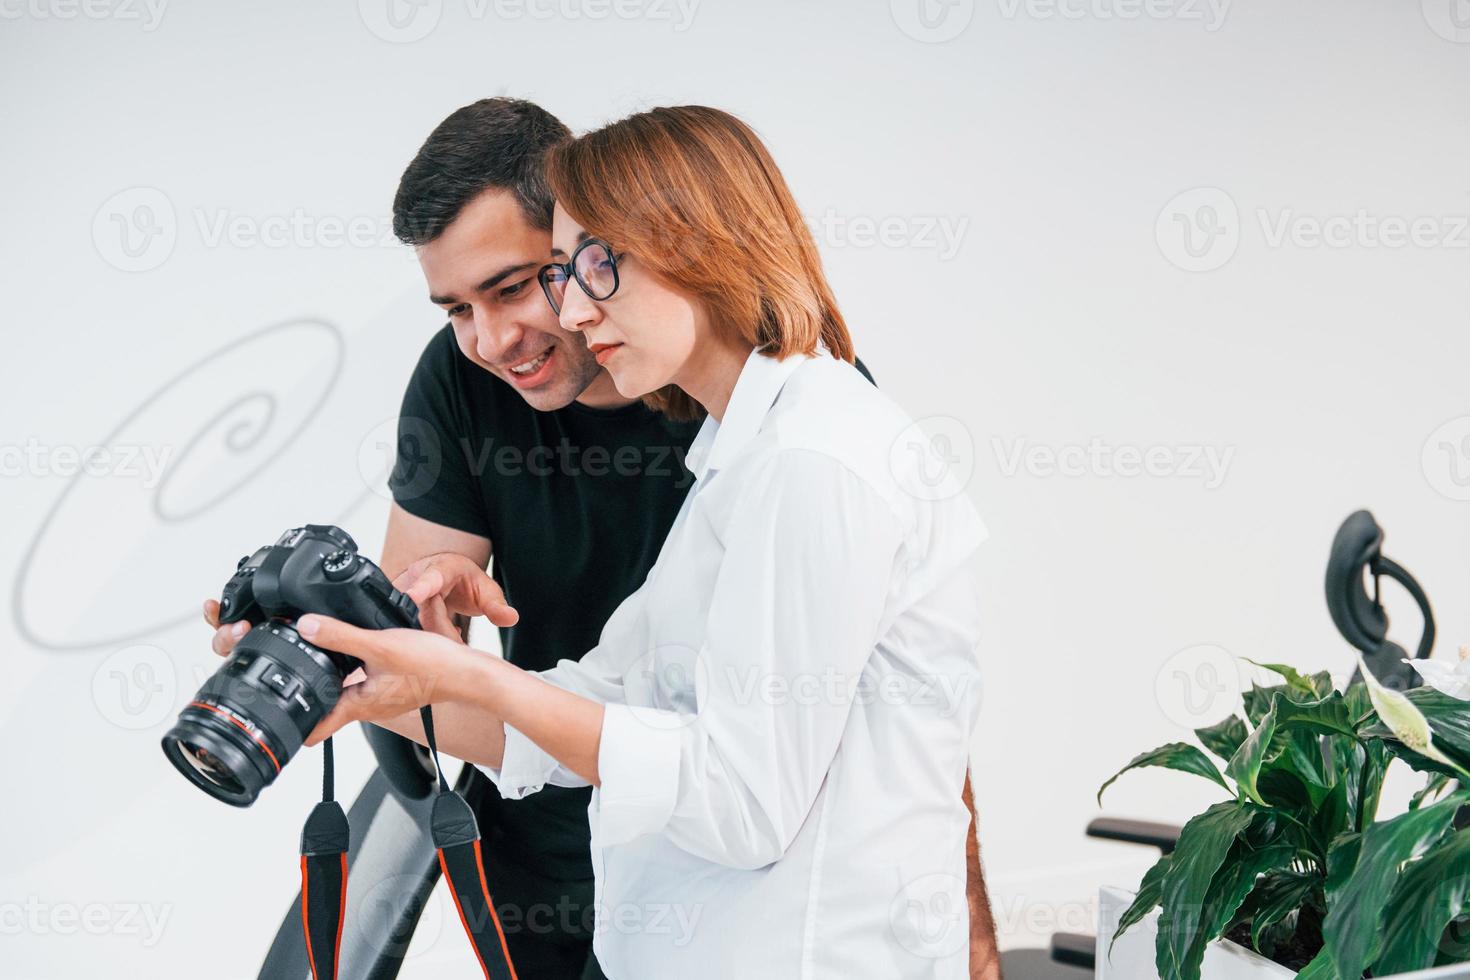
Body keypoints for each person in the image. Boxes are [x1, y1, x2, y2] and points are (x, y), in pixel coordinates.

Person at [279, 105, 992, 979]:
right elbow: (606, 694)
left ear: (696, 244)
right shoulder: (737, 457)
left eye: (589, 268)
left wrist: (468, 676)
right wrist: (361, 670)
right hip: (628, 903)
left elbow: (751, 800)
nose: (571, 310)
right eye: (566, 274)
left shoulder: (816, 458)